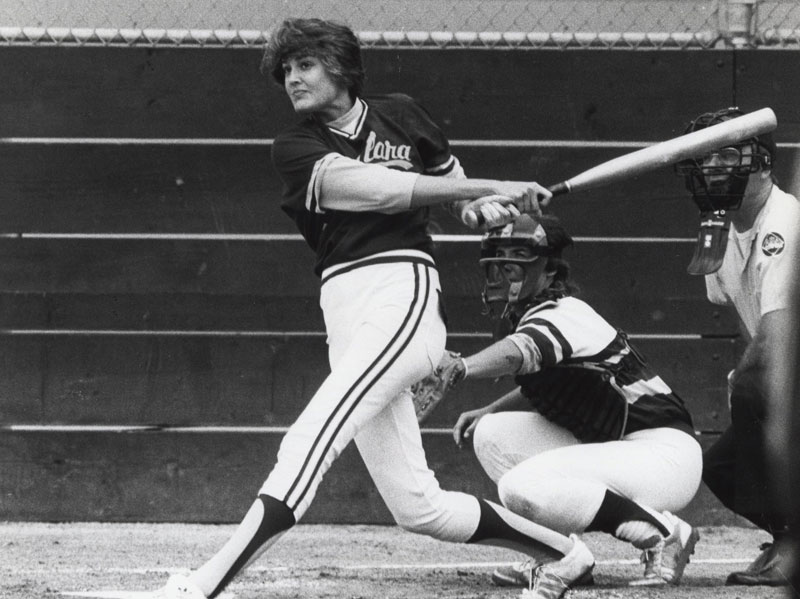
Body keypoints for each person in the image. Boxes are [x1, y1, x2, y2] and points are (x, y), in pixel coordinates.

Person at [144, 17, 594, 599]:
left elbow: (463, 205)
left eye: (305, 65)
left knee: (309, 439)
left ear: (340, 66)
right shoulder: (297, 146)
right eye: (286, 70)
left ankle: (202, 585)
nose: (293, 80)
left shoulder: (404, 114)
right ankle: (568, 554)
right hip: (346, 309)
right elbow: (382, 190)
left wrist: (490, 208)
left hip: (400, 294)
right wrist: (490, 184)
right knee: (420, 507)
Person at [448, 213, 703, 593]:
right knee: (490, 433)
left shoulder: (564, 313)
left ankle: (665, 532)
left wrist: (462, 367)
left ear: (550, 272)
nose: (502, 273)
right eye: (497, 262)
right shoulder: (533, 315)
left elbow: (521, 353)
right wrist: (491, 410)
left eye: (515, 262)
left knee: (522, 487)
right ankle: (556, 551)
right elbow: (549, 382)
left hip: (663, 454)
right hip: (617, 447)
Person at [675, 106, 799, 586]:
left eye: (727, 157)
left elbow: (778, 338)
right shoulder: (719, 229)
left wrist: (753, 381)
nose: (713, 169)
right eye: (705, 159)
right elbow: (750, 317)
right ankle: (790, 537)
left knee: (755, 388)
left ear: (764, 164)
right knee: (721, 467)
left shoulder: (785, 221)